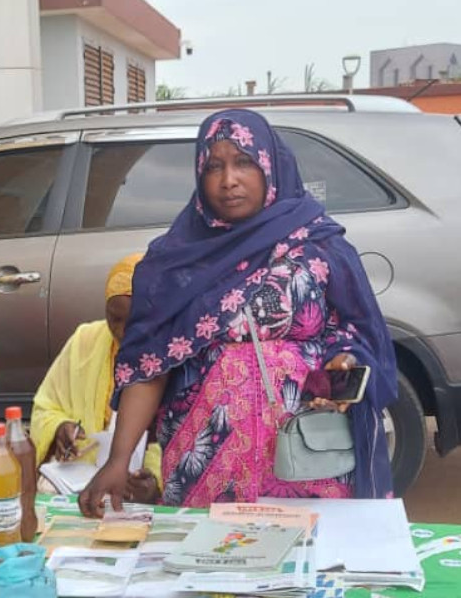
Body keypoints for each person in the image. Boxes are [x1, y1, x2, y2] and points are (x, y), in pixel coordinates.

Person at [79, 109, 396, 517]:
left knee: (308, 550)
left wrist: (344, 361)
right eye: (214, 166)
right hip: (205, 459)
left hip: (306, 453)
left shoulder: (318, 245)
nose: (228, 180)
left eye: (244, 161)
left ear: (270, 166)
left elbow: (358, 332)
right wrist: (118, 459)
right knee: (209, 551)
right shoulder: (174, 263)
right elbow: (149, 366)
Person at [30, 253, 161, 503]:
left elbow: (187, 436)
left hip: (140, 487)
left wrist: (154, 481)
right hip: (79, 478)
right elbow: (45, 407)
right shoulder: (85, 340)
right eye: (115, 318)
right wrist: (60, 428)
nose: (122, 331)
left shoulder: (175, 351)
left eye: (135, 321)